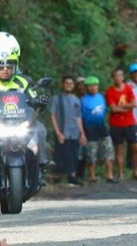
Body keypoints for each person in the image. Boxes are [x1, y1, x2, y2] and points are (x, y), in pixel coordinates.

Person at [0, 32, 50, 187]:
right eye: (1, 66)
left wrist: (39, 101)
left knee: (40, 129)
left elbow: (32, 95)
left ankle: (41, 167)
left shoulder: (24, 81)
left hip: (21, 122)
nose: (5, 70)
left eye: (9, 66)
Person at [105, 68, 137, 181]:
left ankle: (135, 171)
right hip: (116, 124)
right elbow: (113, 108)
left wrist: (120, 108)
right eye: (116, 75)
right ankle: (121, 173)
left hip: (130, 123)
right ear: (113, 78)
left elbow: (134, 104)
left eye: (120, 75)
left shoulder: (128, 88)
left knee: (136, 147)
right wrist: (126, 108)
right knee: (119, 148)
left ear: (123, 77)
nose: (118, 78)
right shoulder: (110, 91)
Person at [50, 76, 87, 186]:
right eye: (66, 83)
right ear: (62, 84)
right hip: (62, 131)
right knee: (60, 154)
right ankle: (57, 177)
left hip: (74, 132)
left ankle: (72, 176)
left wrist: (82, 133)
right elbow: (53, 115)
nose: (69, 85)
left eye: (71, 83)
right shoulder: (57, 98)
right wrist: (58, 132)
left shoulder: (76, 99)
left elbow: (78, 117)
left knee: (73, 154)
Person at [81, 75, 117, 183]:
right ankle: (92, 176)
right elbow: (80, 116)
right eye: (90, 86)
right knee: (91, 154)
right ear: (87, 87)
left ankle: (109, 175)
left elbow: (105, 112)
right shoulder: (82, 100)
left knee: (108, 151)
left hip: (102, 128)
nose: (93, 88)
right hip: (90, 129)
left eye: (95, 85)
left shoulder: (101, 97)